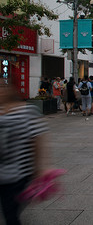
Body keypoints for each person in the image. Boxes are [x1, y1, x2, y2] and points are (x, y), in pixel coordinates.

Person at [0, 80, 48, 225]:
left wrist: (39, 170)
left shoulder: (27, 111)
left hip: (18, 175)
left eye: (2, 87)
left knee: (10, 215)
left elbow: (37, 140)